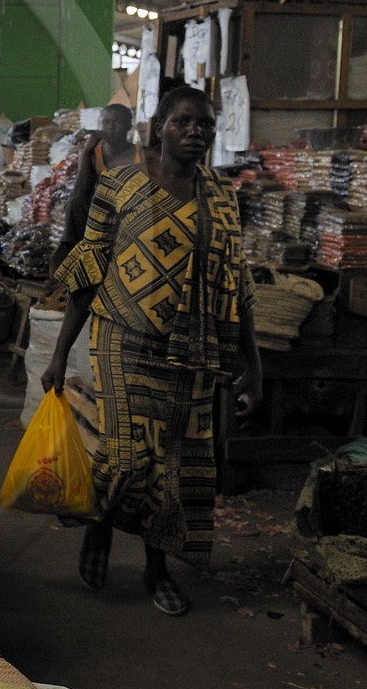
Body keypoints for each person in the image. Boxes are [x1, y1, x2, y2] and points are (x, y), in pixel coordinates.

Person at [40, 86, 262, 618]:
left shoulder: (222, 195)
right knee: (127, 457)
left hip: (195, 349)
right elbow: (89, 271)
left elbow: (237, 280)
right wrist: (59, 353)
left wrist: (253, 363)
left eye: (205, 124)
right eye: (183, 121)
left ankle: (156, 568)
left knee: (173, 469)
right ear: (159, 127)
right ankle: (99, 524)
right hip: (124, 338)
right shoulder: (120, 186)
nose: (195, 132)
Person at [51, 103, 141, 271]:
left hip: (132, 211)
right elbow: (80, 191)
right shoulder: (96, 154)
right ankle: (77, 257)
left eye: (118, 122)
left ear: (128, 126)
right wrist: (86, 151)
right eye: (107, 122)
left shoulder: (139, 154)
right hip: (104, 213)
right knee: (75, 203)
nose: (111, 127)